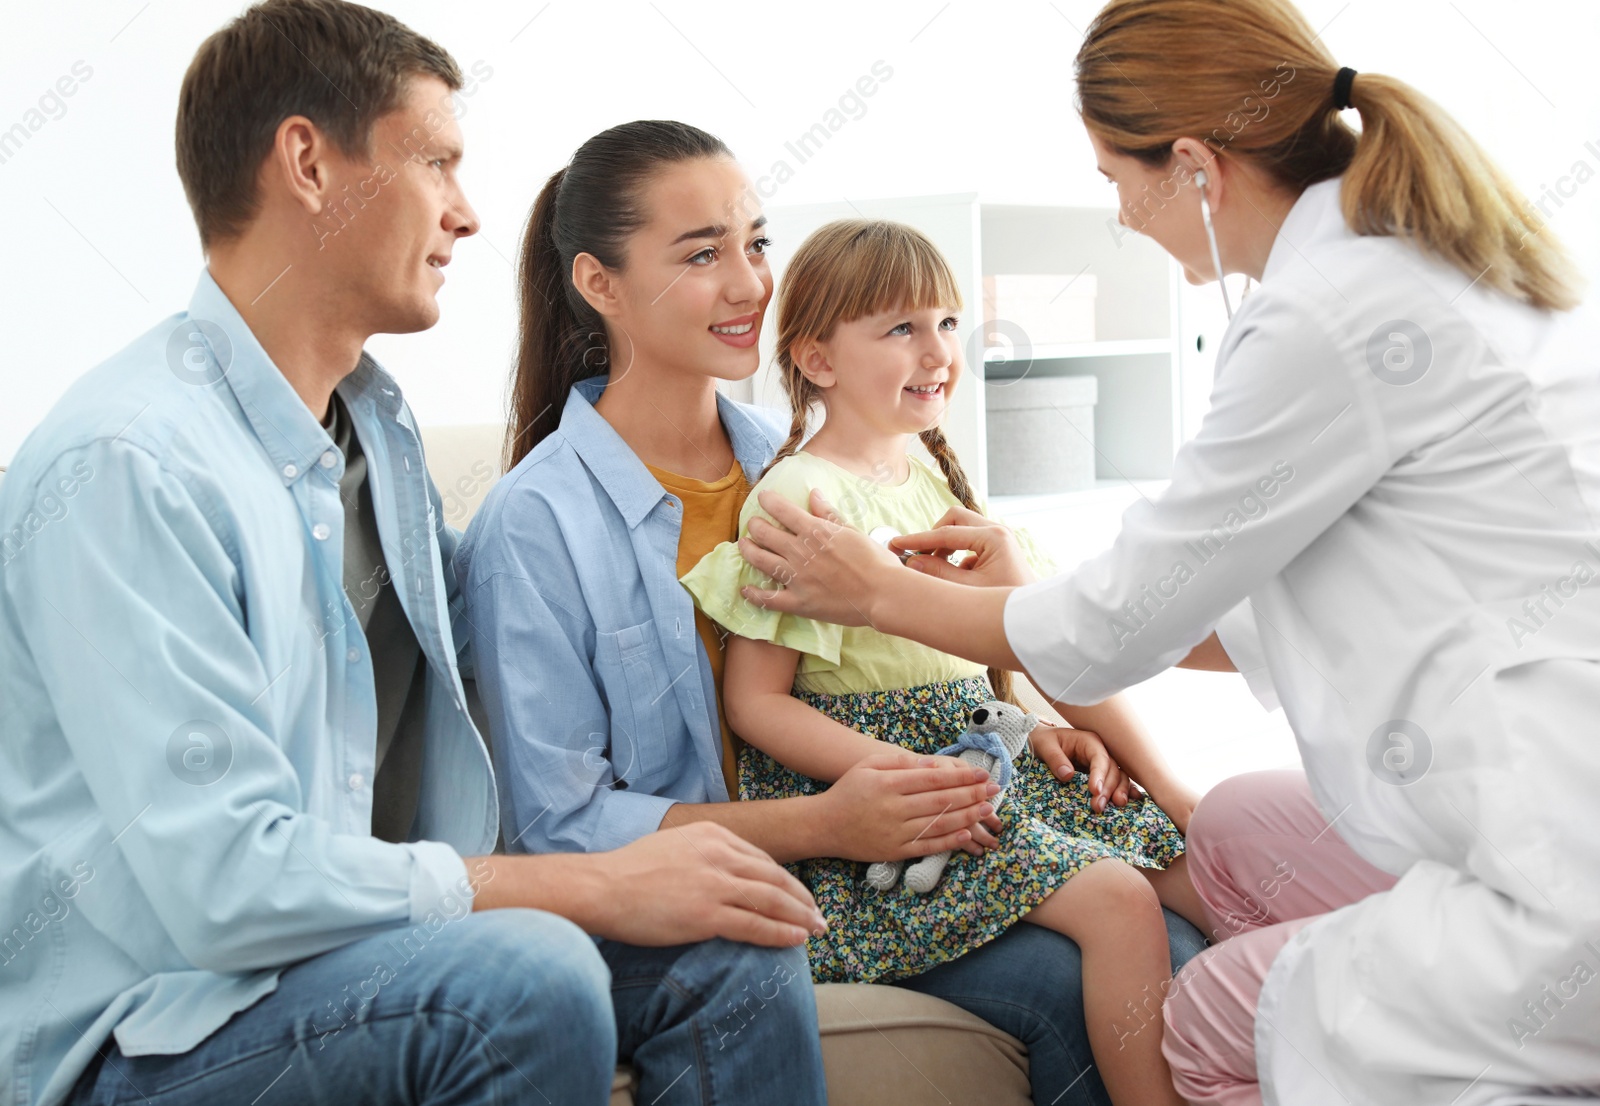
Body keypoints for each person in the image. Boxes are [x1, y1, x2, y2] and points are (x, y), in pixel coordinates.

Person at [738, 1, 1600, 1103]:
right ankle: (1401, 990)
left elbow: (1110, 630)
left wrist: (883, 594)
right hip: (1520, 781)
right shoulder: (1415, 260)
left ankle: (1422, 1020)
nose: (1120, 215)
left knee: (1202, 1023)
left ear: (1193, 165)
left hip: (1552, 851)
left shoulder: (1325, 315)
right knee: (1237, 823)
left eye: (1114, 179)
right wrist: (1027, 603)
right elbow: (1225, 610)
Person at [0, 4, 825, 1106]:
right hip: (161, 1019)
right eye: (437, 160)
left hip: (344, 960)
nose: (471, 213)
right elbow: (227, 885)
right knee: (529, 971)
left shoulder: (371, 431)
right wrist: (587, 882)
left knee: (736, 944)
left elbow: (514, 643)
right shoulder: (127, 463)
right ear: (307, 162)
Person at [456, 120, 1209, 1105]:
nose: (748, 284)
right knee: (1074, 976)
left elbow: (922, 642)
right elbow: (560, 826)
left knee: (1184, 927)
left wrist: (1038, 725)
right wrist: (827, 819)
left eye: (755, 243)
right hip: (766, 883)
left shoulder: (812, 456)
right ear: (600, 284)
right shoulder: (534, 527)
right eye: (702, 253)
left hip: (910, 825)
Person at [677, 217, 1209, 1105]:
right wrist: (908, 776)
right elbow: (758, 706)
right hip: (889, 794)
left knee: (1199, 862)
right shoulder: (798, 498)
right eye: (900, 328)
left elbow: (1036, 643)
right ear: (817, 359)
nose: (938, 351)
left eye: (948, 323)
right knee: (1116, 900)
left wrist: (1160, 780)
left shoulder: (931, 472)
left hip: (983, 753)